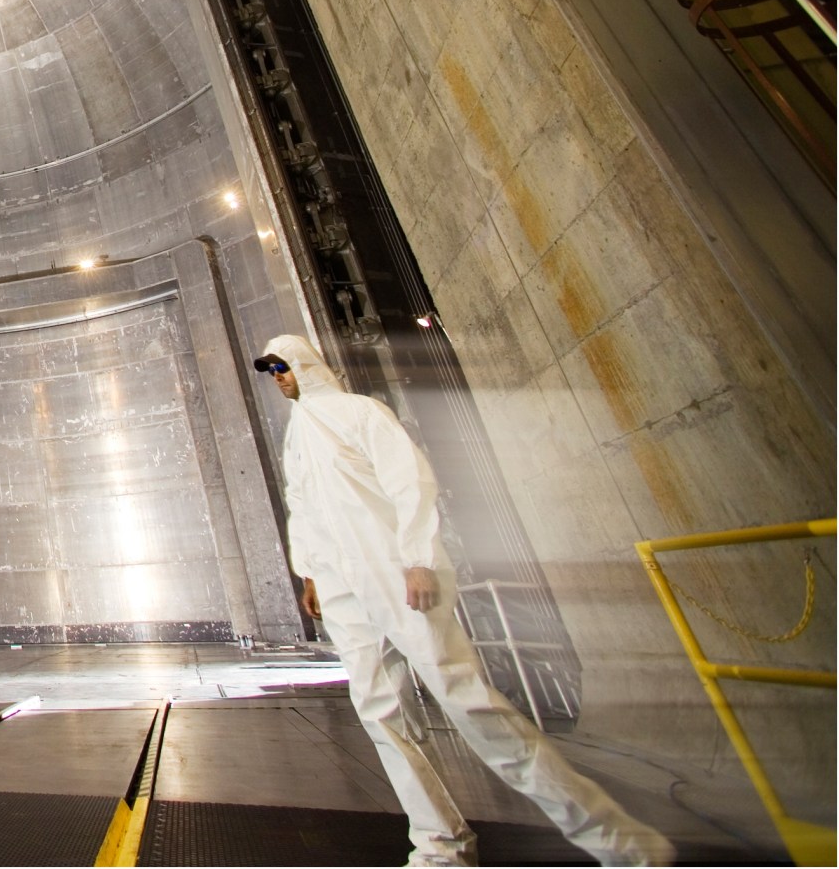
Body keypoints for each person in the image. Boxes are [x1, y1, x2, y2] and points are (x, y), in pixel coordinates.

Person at [257, 335, 672, 867]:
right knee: (380, 714)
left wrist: (420, 557)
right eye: (271, 371)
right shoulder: (296, 436)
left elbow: (411, 483)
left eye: (283, 367)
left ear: (307, 365)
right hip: (343, 589)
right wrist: (310, 573)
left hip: (394, 571)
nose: (279, 377)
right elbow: (304, 508)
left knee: (468, 703)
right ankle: (440, 845)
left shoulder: (358, 413)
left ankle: (623, 845)